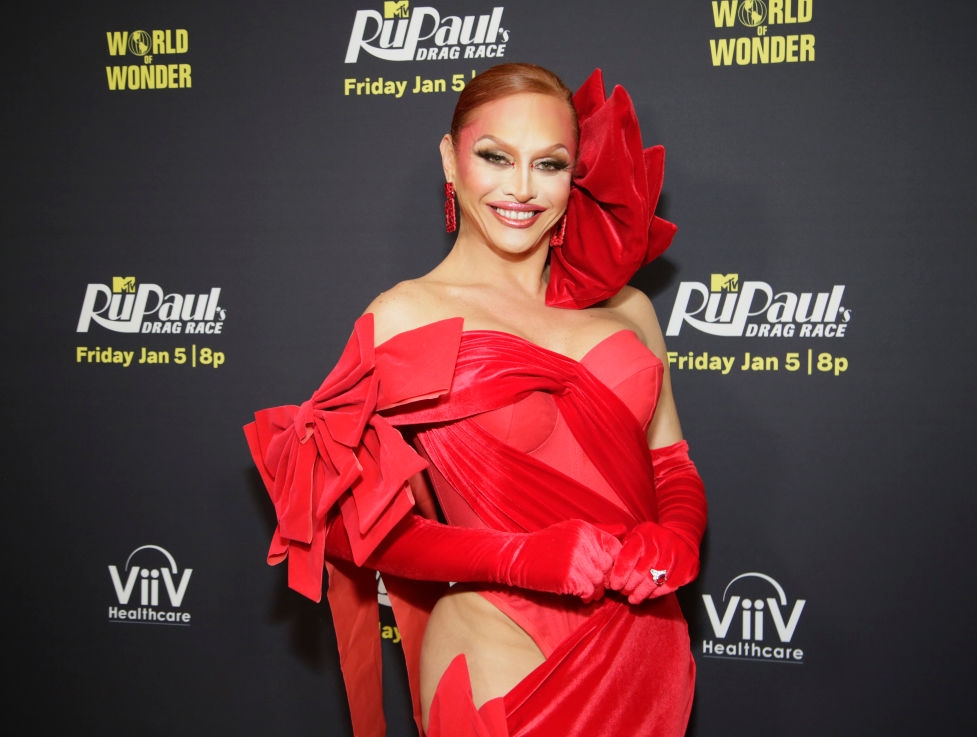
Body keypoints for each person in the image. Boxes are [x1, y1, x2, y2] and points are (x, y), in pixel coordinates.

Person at [244, 62, 707, 737]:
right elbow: (345, 524)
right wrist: (514, 557)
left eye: (549, 164)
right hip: (503, 648)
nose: (521, 188)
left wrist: (679, 538)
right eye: (495, 156)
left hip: (648, 654)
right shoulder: (404, 317)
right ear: (450, 158)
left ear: (574, 173)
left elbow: (669, 463)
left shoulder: (630, 309)